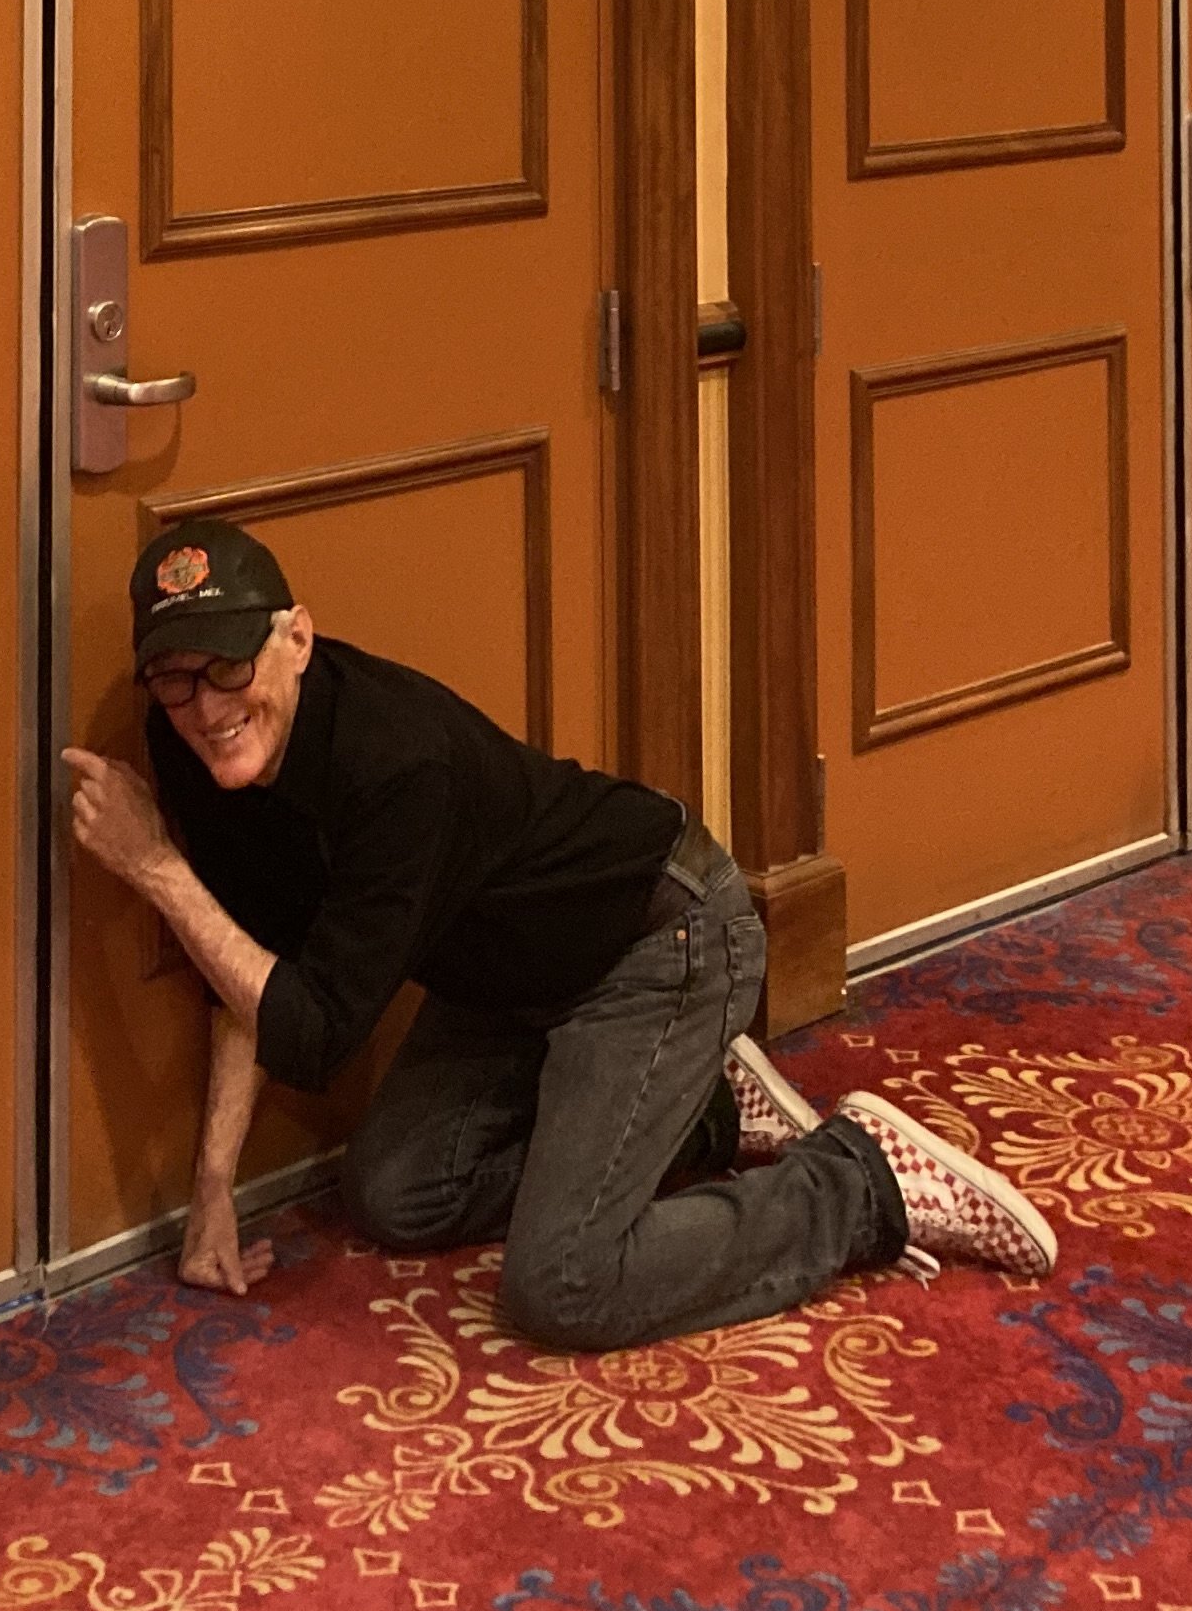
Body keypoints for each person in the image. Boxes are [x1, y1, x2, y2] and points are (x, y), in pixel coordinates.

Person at [61, 519, 1056, 1344]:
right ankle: (705, 1113)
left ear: (299, 640)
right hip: (503, 982)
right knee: (395, 1193)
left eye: (229, 667)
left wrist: (157, 869)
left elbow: (312, 1031)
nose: (207, 706)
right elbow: (250, 963)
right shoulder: (195, 744)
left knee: (566, 1283)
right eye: (175, 679)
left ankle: (862, 1183)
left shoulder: (397, 766)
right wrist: (214, 1190)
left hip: (657, 938)